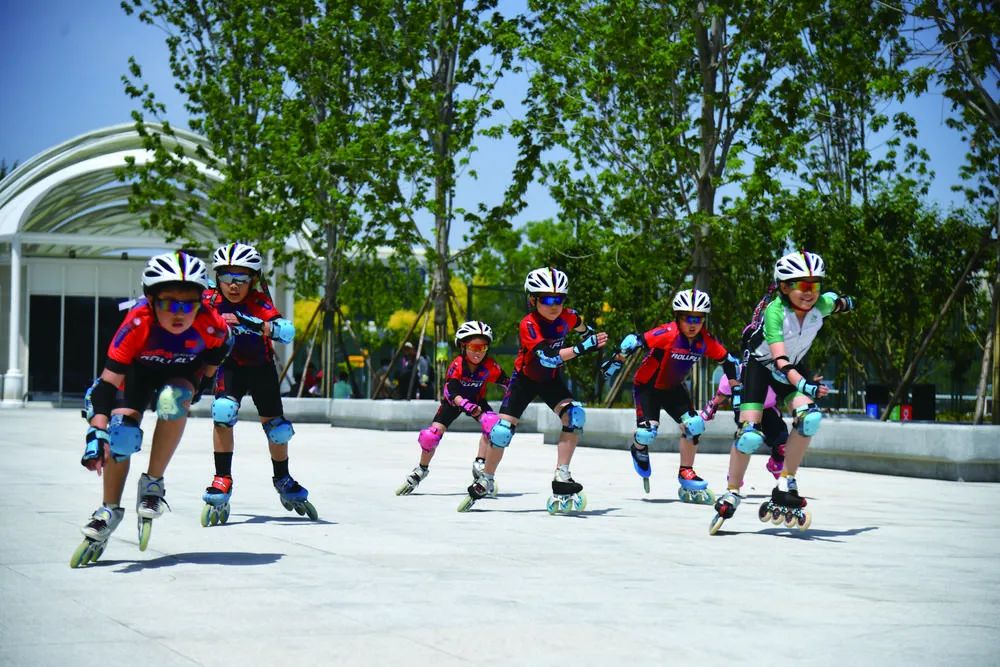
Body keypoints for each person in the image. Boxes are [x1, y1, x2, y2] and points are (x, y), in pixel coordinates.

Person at [71, 251, 230, 567]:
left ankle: (153, 483)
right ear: (151, 300)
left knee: (174, 400)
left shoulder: (211, 324)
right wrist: (96, 432)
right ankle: (109, 509)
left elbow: (219, 352)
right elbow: (107, 385)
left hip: (181, 372)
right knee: (121, 435)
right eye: (169, 303)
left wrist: (201, 384)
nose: (179, 313)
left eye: (189, 304)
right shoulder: (137, 322)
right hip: (137, 374)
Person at [709, 250, 855, 534]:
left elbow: (835, 302)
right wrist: (806, 385)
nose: (810, 293)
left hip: (793, 366)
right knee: (749, 435)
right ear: (785, 287)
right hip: (763, 367)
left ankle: (786, 479)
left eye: (815, 285)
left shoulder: (821, 304)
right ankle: (732, 491)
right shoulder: (775, 313)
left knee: (810, 418)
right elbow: (780, 361)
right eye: (803, 285)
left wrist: (846, 302)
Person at [459, 267, 608, 513]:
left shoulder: (569, 316)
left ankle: (562, 475)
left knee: (574, 415)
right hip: (525, 379)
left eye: (559, 299)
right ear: (532, 299)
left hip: (550, 380)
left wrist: (595, 338)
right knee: (502, 432)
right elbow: (548, 357)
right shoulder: (528, 324)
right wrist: (582, 348)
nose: (554, 305)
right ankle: (486, 478)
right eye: (547, 299)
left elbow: (583, 328)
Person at [200, 242, 317, 526]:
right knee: (223, 413)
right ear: (217, 277)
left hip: (261, 368)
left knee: (278, 429)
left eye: (241, 278)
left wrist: (253, 324)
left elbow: (287, 331)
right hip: (229, 367)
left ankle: (282, 478)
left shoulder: (259, 302)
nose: (233, 285)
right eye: (227, 277)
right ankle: (222, 477)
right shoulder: (209, 300)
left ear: (253, 279)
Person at [602, 289, 740, 503]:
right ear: (677, 317)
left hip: (673, 388)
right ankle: (638, 448)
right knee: (647, 433)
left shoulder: (705, 340)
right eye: (687, 318)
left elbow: (728, 362)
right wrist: (616, 360)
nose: (693, 324)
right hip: (648, 387)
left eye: (698, 319)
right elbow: (634, 341)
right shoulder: (668, 332)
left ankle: (686, 471)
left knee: (694, 425)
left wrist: (736, 390)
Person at [396, 320, 509, 496]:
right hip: (453, 403)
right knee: (430, 436)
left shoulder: (489, 366)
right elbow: (450, 391)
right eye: (473, 347)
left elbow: (508, 382)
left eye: (483, 348)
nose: (478, 352)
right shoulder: (457, 365)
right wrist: (464, 403)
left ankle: (480, 464)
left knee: (493, 426)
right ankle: (421, 469)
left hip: (477, 401)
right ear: (463, 346)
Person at [699, 370, 787, 484]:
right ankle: (734, 474)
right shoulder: (737, 370)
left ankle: (777, 462)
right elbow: (723, 392)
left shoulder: (774, 370)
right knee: (746, 439)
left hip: (768, 409)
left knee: (783, 443)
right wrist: (713, 405)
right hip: (745, 409)